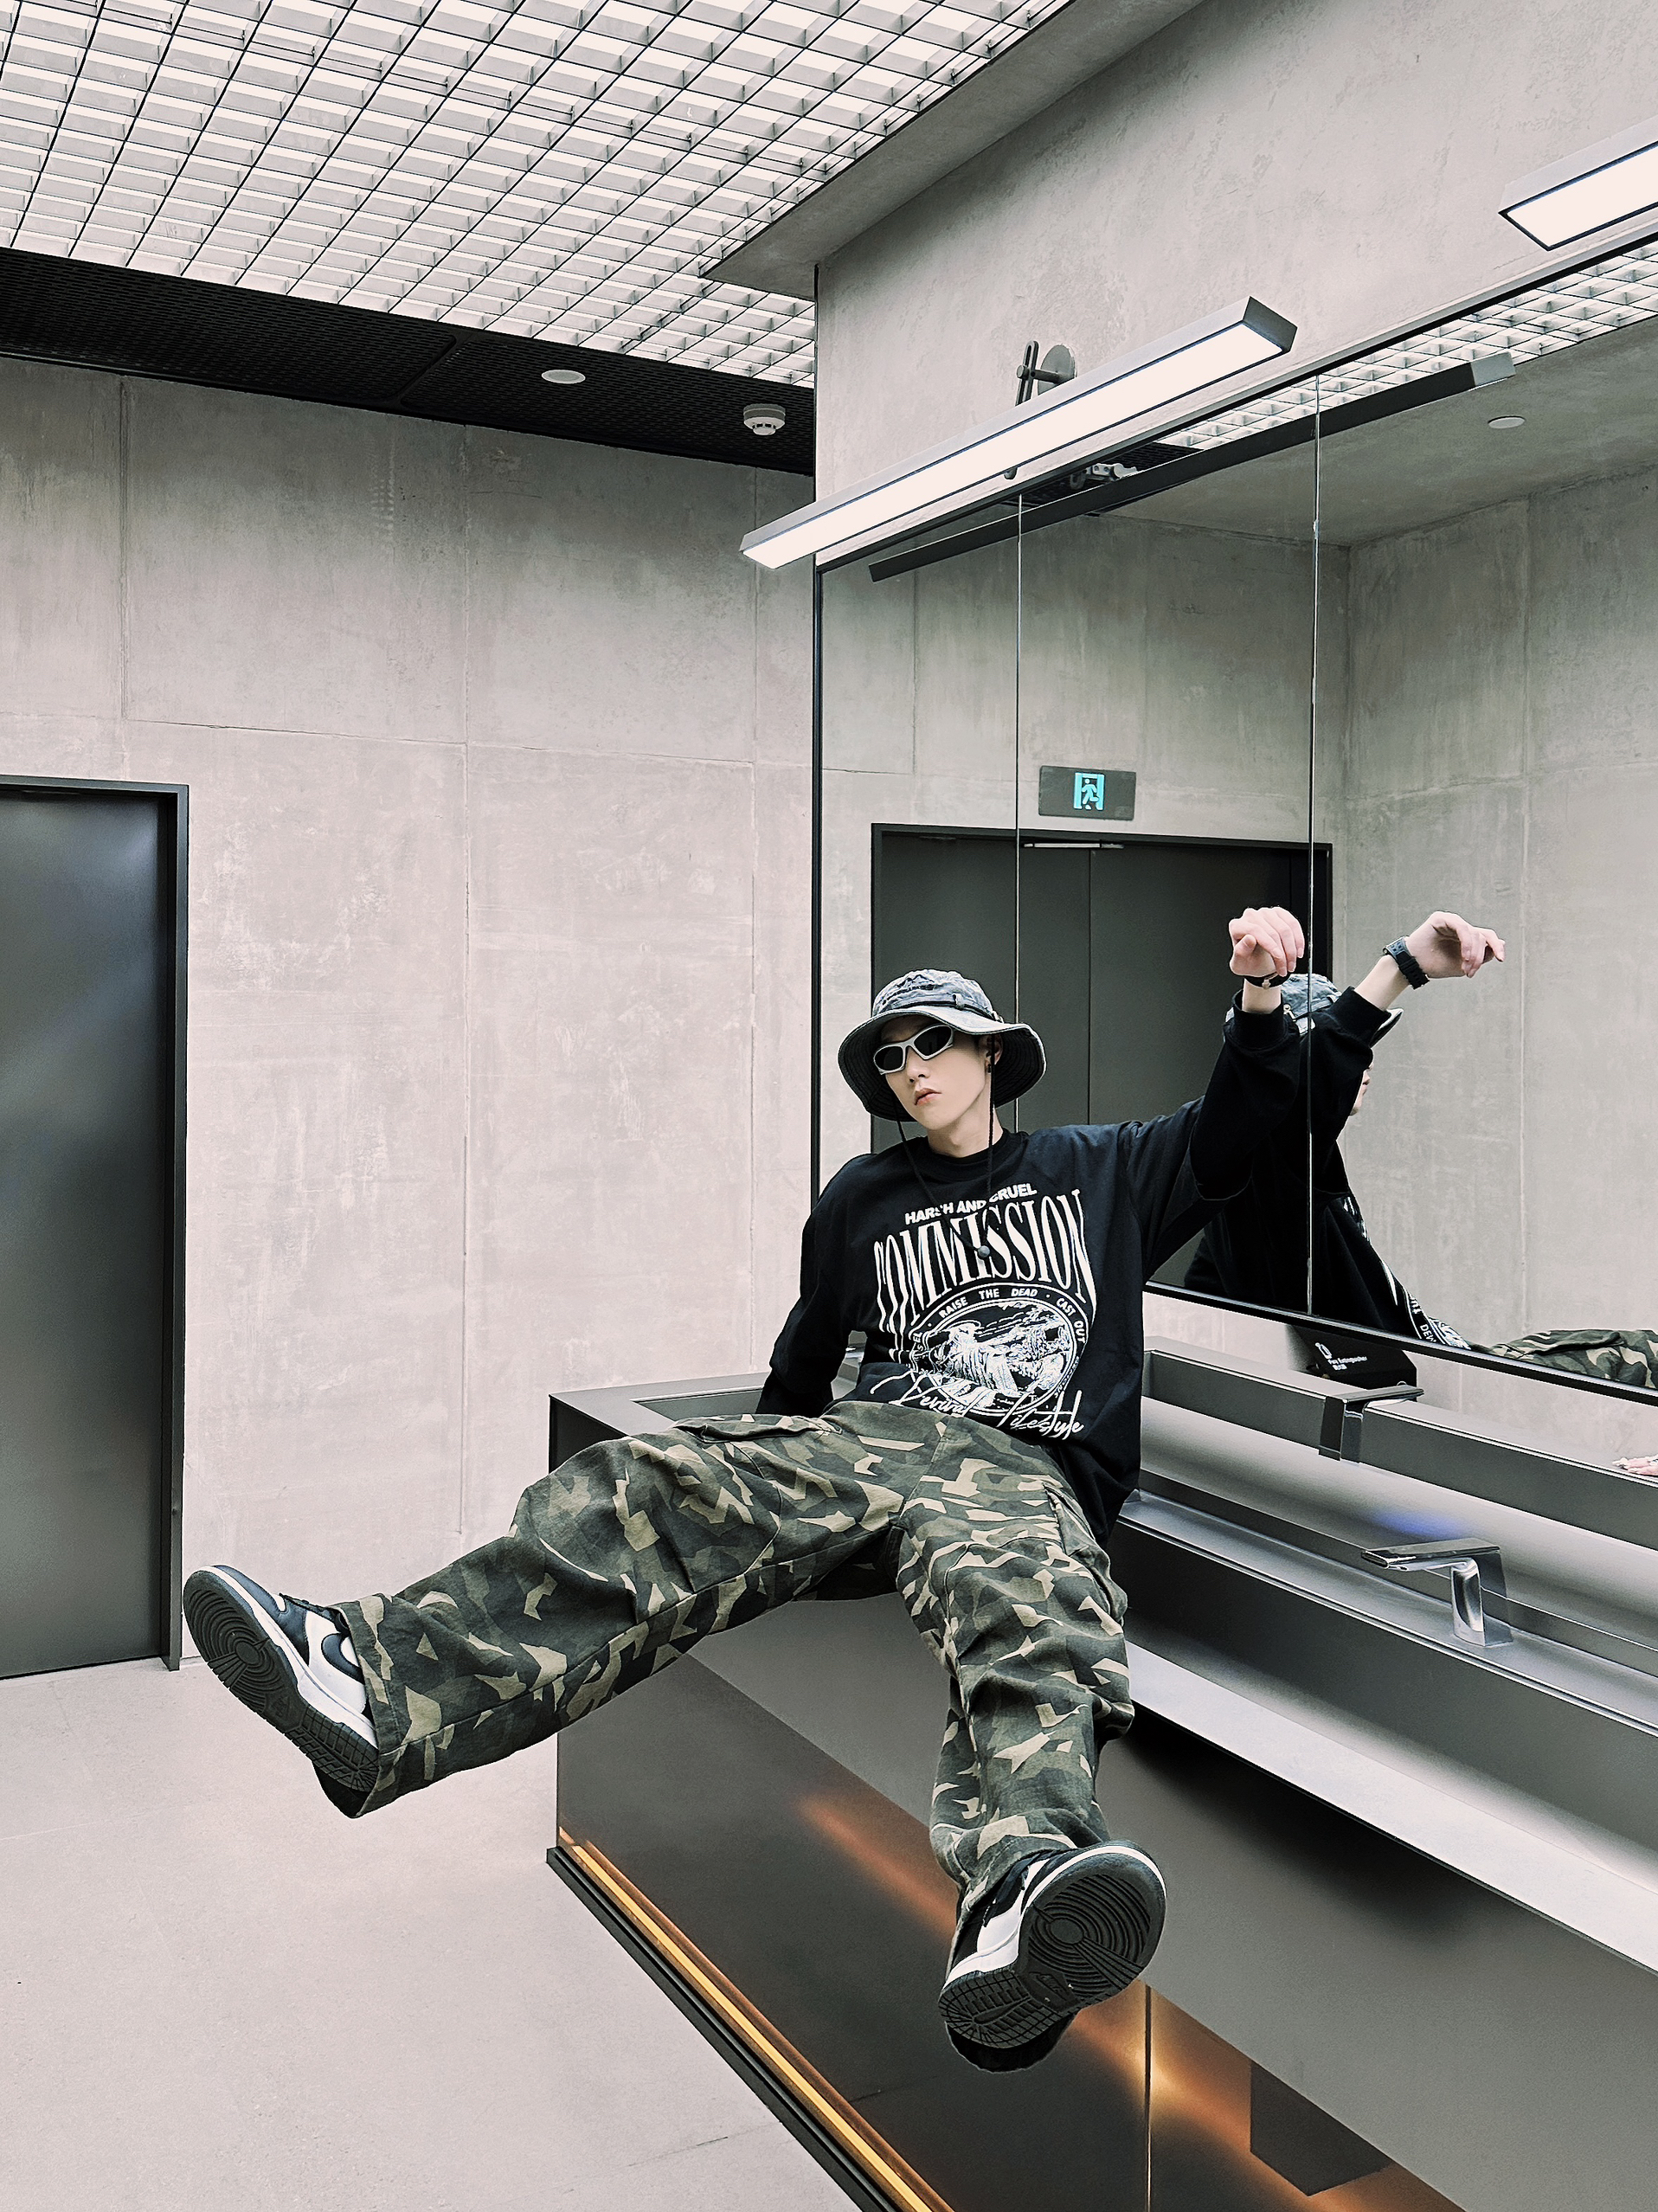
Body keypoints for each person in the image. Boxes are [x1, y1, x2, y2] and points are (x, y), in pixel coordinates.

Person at [184, 905, 1306, 2073]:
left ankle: (1020, 1895)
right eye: (891, 1056)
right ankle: (372, 1683)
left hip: (1023, 1464)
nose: (910, 1068)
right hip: (878, 1437)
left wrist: (1261, 998)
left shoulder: (1097, 1169)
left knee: (1027, 1604)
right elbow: (804, 1359)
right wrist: (748, 1468)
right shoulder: (863, 1197)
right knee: (645, 1482)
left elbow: (1241, 1126)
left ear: (989, 1052)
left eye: (931, 1042)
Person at [1185, 911, 1504, 1340]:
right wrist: (1401, 966)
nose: (1364, 1063)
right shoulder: (1261, 1175)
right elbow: (1292, 1098)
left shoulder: (1295, 1173)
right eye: (1348, 1053)